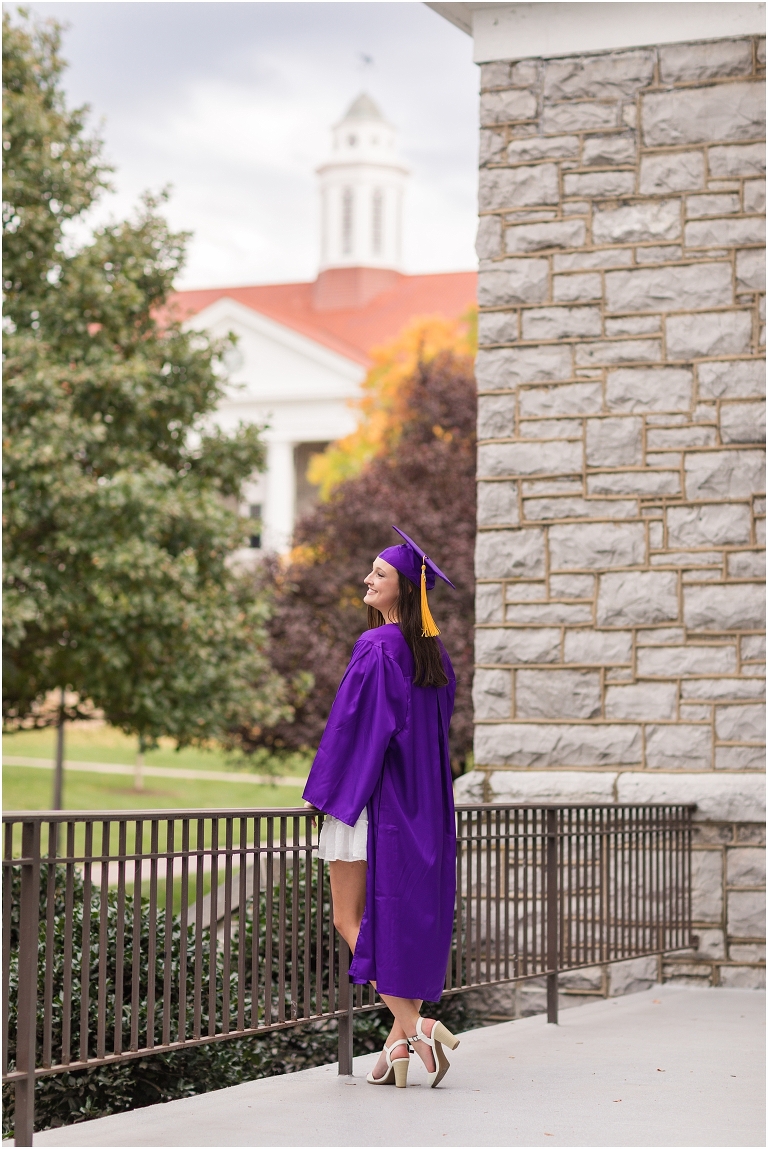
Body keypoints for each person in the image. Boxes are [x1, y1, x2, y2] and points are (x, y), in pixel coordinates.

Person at [302, 526, 461, 1089]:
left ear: (403, 590)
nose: (368, 579)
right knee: (392, 920)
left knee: (353, 920)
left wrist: (328, 793)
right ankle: (398, 1047)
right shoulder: (433, 653)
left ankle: (419, 1026)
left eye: (380, 574)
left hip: (372, 803)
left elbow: (352, 729)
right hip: (422, 804)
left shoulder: (376, 647)